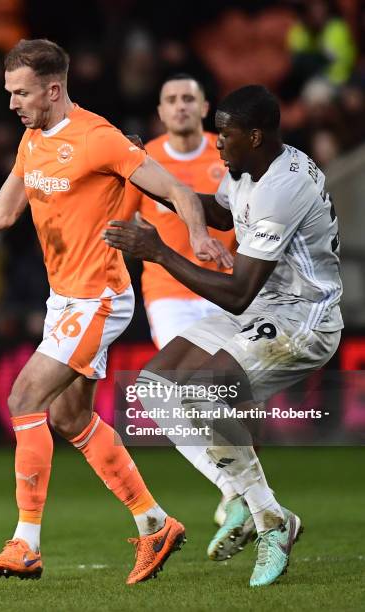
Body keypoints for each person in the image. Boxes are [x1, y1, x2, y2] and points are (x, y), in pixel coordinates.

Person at [0, 39, 231, 585]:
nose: (13, 103)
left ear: (53, 89)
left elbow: (179, 191)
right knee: (68, 418)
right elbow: (0, 211)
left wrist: (201, 237)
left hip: (99, 297)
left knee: (23, 398)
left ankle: (26, 543)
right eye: (10, 92)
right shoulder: (32, 139)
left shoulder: (98, 138)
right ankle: (154, 522)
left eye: (21, 93)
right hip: (64, 297)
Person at [104, 84, 342, 587]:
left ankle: (270, 521)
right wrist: (145, 176)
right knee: (155, 386)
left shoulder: (284, 186)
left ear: (255, 135)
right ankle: (255, 505)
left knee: (203, 390)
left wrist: (161, 252)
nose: (218, 144)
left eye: (226, 134)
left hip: (305, 318)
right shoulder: (251, 167)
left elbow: (236, 293)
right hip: (266, 305)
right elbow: (219, 211)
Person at [124, 74, 242, 530]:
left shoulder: (227, 153)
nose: (180, 107)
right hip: (169, 292)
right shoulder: (144, 160)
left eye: (188, 99)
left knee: (212, 397)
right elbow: (122, 223)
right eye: (171, 99)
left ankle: (242, 491)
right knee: (180, 389)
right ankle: (233, 487)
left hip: (229, 290)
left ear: (205, 106)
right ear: (160, 111)